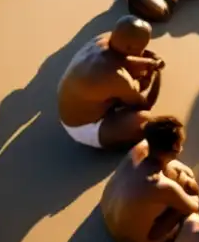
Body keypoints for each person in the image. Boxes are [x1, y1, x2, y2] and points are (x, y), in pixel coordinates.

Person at [56, 15, 164, 150]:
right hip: (83, 128)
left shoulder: (100, 41)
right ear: (130, 48)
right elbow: (144, 104)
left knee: (130, 76)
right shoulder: (117, 77)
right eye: (143, 47)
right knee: (145, 120)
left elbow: (120, 60)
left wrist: (148, 63)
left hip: (70, 108)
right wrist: (154, 74)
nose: (143, 51)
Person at [99, 116, 199, 242]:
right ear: (176, 146)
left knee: (175, 173)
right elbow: (194, 207)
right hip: (133, 241)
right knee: (189, 187)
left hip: (107, 211)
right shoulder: (160, 185)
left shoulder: (140, 147)